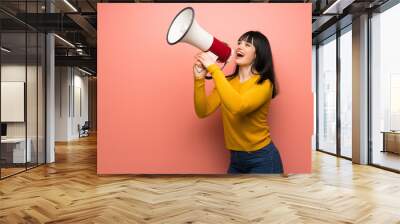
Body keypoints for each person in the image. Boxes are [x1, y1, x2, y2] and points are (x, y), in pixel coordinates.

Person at [193, 31, 284, 174]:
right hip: (236, 159)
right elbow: (203, 111)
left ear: (257, 55)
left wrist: (214, 69)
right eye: (239, 43)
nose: (239, 47)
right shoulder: (227, 83)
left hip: (262, 158)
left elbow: (238, 106)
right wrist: (199, 80)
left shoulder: (264, 84)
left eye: (247, 45)